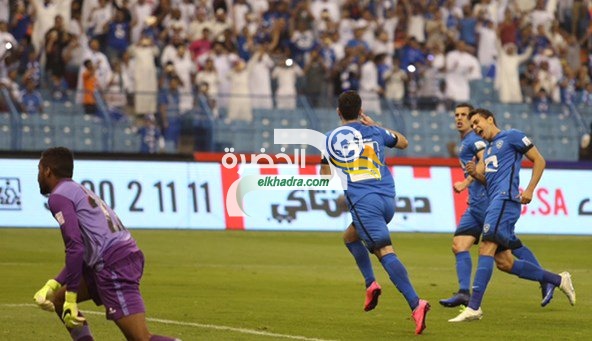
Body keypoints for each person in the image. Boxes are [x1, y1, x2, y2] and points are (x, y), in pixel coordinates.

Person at [32, 147, 178, 340]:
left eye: (39, 169)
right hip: (115, 257)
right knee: (58, 299)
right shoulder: (76, 189)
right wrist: (54, 283)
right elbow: (84, 250)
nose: (38, 175)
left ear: (47, 170)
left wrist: (72, 297)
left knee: (140, 337)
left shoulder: (58, 197)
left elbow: (75, 246)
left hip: (113, 264)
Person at [449, 108, 576, 322]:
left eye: (477, 122)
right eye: (473, 126)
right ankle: (558, 279)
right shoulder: (488, 150)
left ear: (490, 119)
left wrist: (529, 189)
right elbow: (489, 182)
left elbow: (539, 160)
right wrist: (475, 175)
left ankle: (474, 307)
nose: (475, 127)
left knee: (485, 247)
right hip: (494, 203)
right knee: (504, 262)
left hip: (506, 201)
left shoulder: (512, 136)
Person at [320, 91, 430, 335]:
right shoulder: (376, 132)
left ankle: (416, 303)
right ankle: (371, 284)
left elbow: (325, 175)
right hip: (388, 200)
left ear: (338, 112)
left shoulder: (331, 138)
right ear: (361, 111)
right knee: (350, 237)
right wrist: (376, 125)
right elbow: (403, 142)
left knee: (384, 252)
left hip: (364, 203)